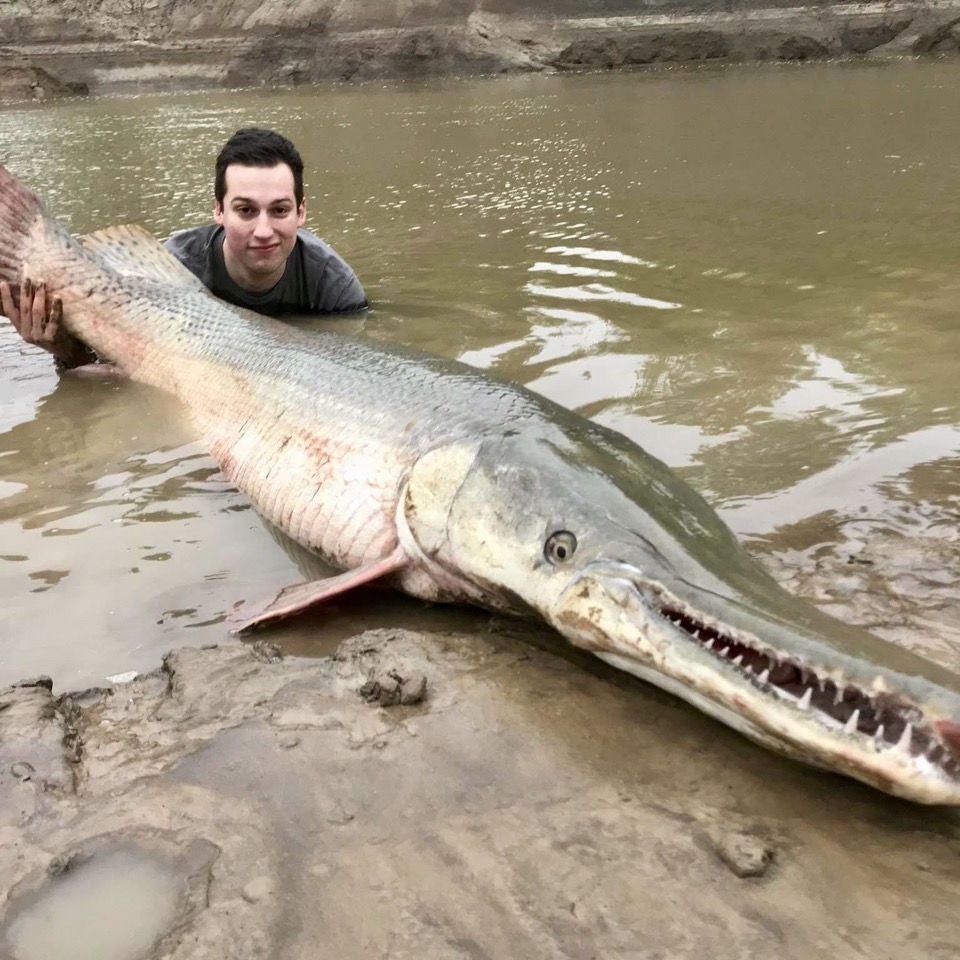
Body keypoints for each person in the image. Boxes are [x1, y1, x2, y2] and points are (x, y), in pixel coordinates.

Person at [0, 128, 366, 371]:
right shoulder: (175, 265)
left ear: (301, 212)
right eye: (245, 210)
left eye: (280, 210)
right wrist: (64, 349)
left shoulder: (336, 289)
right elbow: (113, 371)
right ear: (218, 211)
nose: (263, 230)